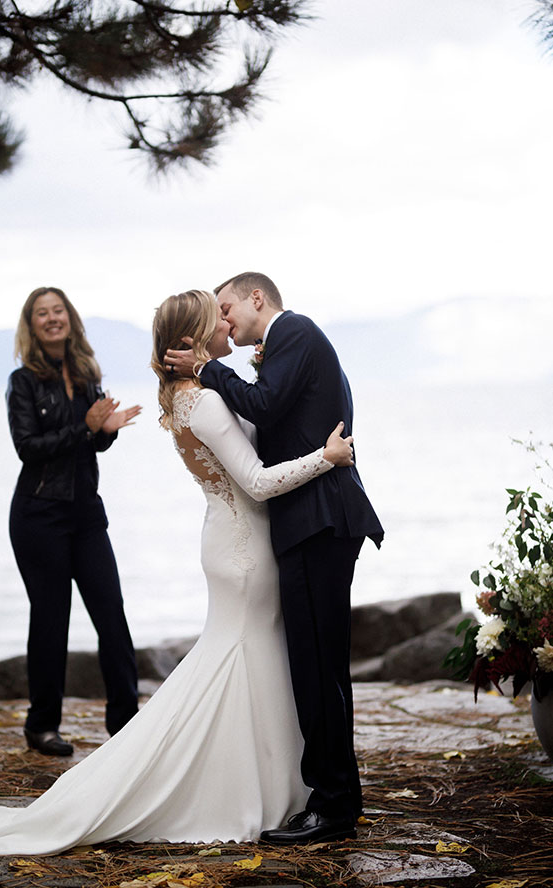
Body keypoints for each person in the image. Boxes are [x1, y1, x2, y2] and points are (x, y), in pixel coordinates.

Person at [0, 289, 355, 861]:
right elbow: (258, 482)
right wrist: (325, 457)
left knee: (249, 662)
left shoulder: (198, 394)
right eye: (215, 316)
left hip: (234, 541)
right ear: (192, 337)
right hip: (243, 548)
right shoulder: (205, 401)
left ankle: (276, 785)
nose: (226, 321)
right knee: (238, 659)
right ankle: (237, 787)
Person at [165, 273, 384, 845]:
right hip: (312, 522)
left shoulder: (296, 332)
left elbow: (264, 403)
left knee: (318, 668)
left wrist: (209, 371)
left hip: (317, 522)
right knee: (322, 668)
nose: (225, 320)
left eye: (229, 306)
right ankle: (341, 796)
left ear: (257, 298)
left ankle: (333, 806)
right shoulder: (288, 346)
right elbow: (275, 416)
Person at [7, 286, 141, 755]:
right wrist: (84, 427)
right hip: (39, 515)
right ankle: (42, 726)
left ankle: (127, 723)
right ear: (33, 325)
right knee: (50, 621)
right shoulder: (23, 382)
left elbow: (93, 443)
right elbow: (28, 448)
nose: (51, 319)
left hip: (85, 513)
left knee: (112, 617)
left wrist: (104, 432)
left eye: (57, 310)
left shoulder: (87, 375)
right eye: (42, 313)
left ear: (70, 318)